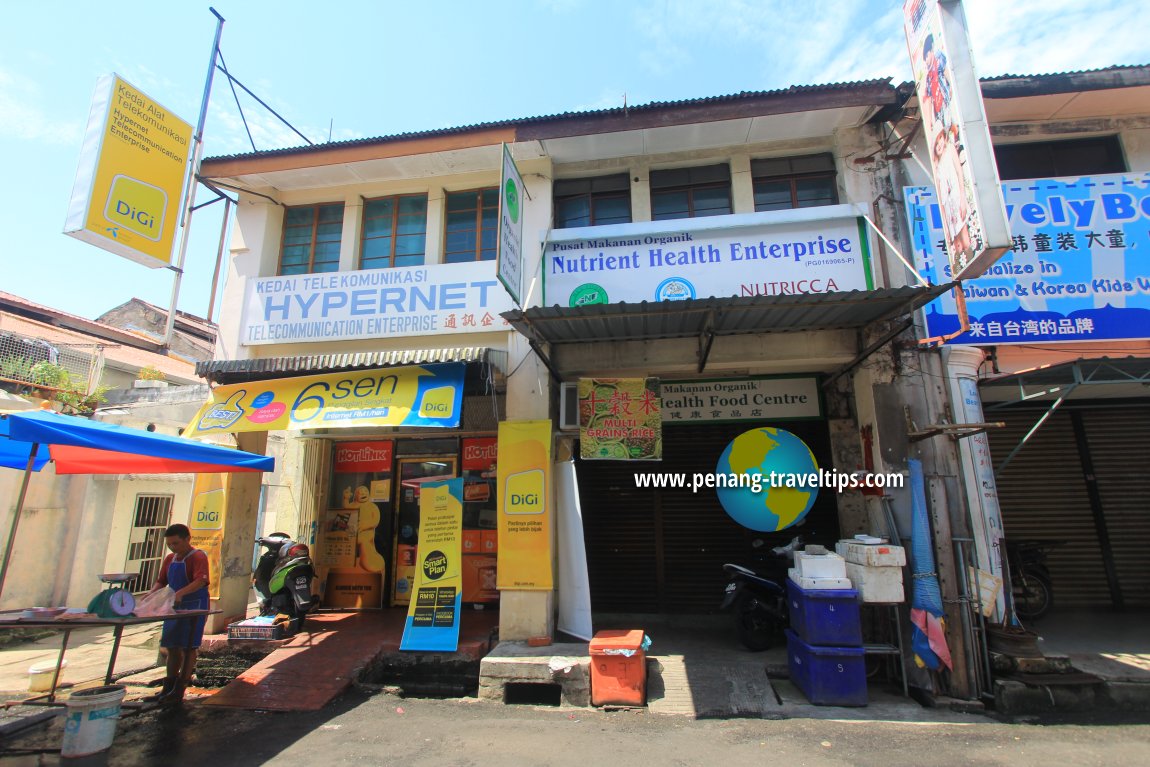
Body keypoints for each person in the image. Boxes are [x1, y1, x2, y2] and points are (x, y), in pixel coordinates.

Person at [147, 523, 210, 703]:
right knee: (172, 647)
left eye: (175, 543)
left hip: (194, 606)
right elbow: (161, 582)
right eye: (169, 544)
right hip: (173, 608)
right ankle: (168, 686)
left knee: (189, 647)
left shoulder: (197, 557)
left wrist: (180, 593)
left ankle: (180, 687)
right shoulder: (169, 559)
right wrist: (150, 595)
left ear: (187, 539)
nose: (173, 547)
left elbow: (201, 581)